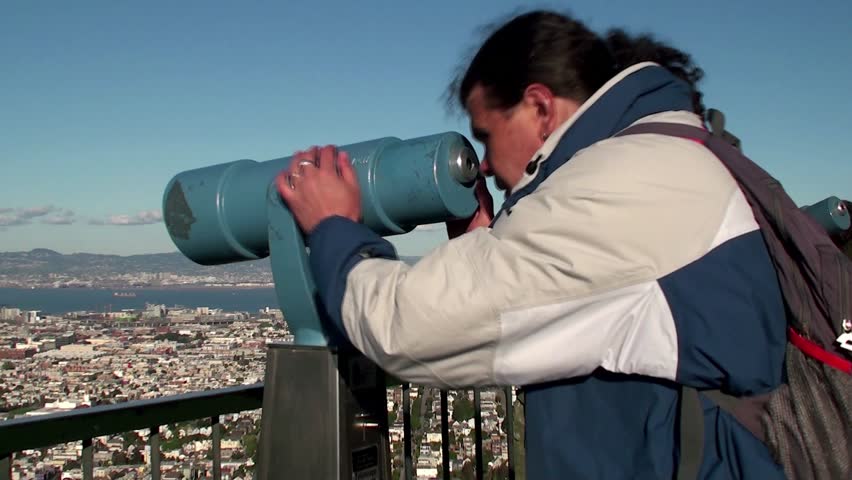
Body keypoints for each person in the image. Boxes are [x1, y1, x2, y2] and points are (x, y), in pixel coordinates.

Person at [276, 10, 788, 479]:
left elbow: (404, 328)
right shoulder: (671, 160)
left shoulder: (629, 183)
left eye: (488, 134)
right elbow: (568, 322)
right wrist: (487, 241)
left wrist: (333, 225)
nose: (488, 165)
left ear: (540, 107)